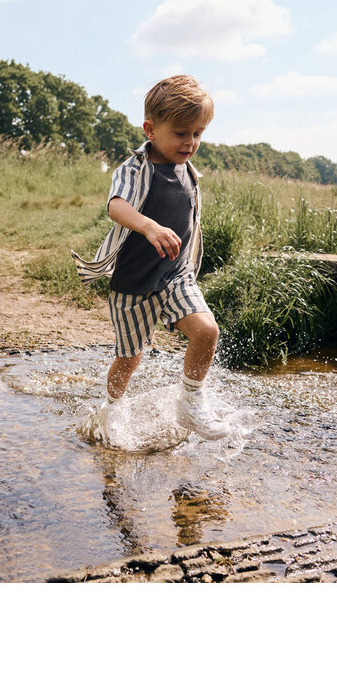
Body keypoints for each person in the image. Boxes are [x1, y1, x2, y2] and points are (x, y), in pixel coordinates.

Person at [72, 75, 230, 441]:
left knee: (207, 331)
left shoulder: (188, 172)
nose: (190, 142)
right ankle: (112, 408)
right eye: (181, 133)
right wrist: (149, 227)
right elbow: (116, 206)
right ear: (151, 129)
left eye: (198, 133)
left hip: (176, 276)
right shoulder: (135, 169)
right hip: (133, 284)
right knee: (130, 358)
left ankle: (190, 402)